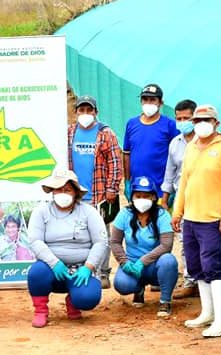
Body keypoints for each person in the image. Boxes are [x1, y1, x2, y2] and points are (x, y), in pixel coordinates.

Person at [173, 105, 221, 338]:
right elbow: (184, 181)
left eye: (206, 120)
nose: (200, 124)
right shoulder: (192, 147)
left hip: (213, 219)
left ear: (216, 123)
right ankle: (207, 312)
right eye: (197, 120)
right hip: (191, 218)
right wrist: (178, 211)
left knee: (213, 265)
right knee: (195, 266)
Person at [26, 169, 107, 328]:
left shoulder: (88, 212)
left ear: (76, 192)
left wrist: (88, 267)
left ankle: (74, 301)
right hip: (51, 267)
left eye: (67, 189)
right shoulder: (41, 211)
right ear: (52, 191)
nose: (62, 193)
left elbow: (101, 242)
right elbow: (35, 241)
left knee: (88, 298)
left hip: (81, 269)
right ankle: (40, 311)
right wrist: (54, 263)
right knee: (36, 272)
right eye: (58, 189)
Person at [67, 95, 122, 290]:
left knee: (101, 234)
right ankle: (83, 269)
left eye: (89, 110)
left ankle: (103, 272)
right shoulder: (69, 132)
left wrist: (112, 189)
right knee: (78, 233)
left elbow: (115, 162)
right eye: (81, 110)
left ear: (95, 112)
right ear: (76, 113)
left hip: (98, 195)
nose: (85, 114)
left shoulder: (105, 133)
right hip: (75, 195)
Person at [110, 177, 178, 317]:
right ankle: (138, 289)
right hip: (133, 264)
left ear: (153, 197)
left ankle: (165, 301)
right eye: (138, 196)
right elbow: (115, 242)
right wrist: (124, 262)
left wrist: (143, 261)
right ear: (132, 197)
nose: (142, 199)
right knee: (121, 284)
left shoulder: (162, 214)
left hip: (155, 265)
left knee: (169, 261)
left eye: (146, 196)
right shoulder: (124, 214)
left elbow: (167, 245)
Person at [160, 99, 198, 300]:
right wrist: (165, 199)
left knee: (205, 242)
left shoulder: (203, 142)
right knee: (185, 241)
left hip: (203, 199)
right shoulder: (175, 144)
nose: (183, 122)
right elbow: (169, 173)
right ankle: (190, 280)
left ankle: (205, 280)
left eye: (187, 118)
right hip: (182, 201)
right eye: (179, 118)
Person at [122, 84, 178, 199]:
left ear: (161, 103)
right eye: (145, 99)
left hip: (160, 191)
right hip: (137, 190)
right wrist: (127, 181)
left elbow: (176, 156)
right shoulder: (131, 124)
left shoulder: (169, 125)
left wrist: (171, 187)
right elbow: (127, 154)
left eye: (152, 100)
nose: (148, 103)